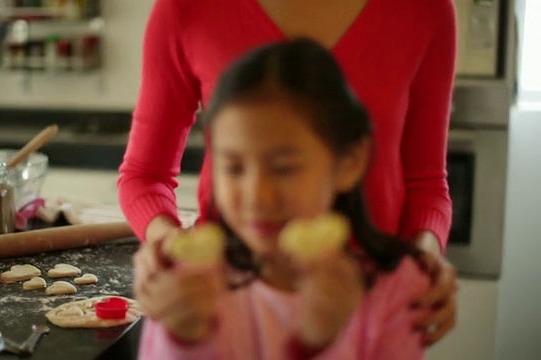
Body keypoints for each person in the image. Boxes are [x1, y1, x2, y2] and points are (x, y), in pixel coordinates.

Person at [120, 0, 457, 344]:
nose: (259, 195)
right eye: (235, 167)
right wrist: (170, 248)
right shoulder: (185, 8)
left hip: (370, 307)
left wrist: (422, 263)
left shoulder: (424, 9)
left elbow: (425, 183)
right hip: (223, 302)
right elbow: (145, 174)